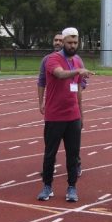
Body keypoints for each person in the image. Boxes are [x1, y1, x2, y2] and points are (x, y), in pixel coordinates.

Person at [37, 27, 93, 203]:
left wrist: (81, 114)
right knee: (50, 154)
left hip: (73, 116)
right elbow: (60, 74)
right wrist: (78, 71)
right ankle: (47, 186)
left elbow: (77, 91)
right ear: (63, 42)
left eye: (75, 42)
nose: (72, 45)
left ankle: (71, 187)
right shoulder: (52, 59)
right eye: (69, 42)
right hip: (54, 116)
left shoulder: (77, 61)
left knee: (73, 155)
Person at [36, 32, 64, 114]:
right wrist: (41, 102)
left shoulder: (74, 59)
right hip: (52, 103)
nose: (57, 42)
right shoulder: (46, 59)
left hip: (70, 104)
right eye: (56, 40)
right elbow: (41, 82)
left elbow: (81, 83)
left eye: (60, 40)